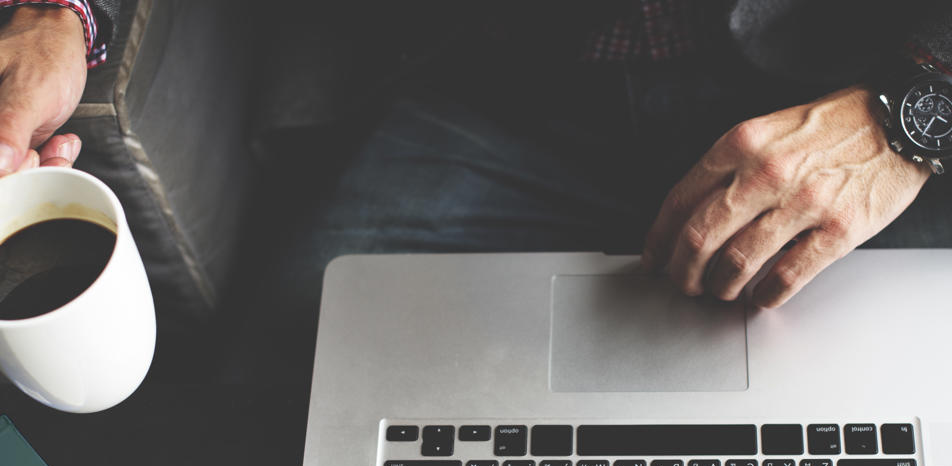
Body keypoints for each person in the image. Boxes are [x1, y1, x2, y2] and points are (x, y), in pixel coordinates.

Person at [1, 0, 949, 317]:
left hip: (850, 87)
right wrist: (58, 13)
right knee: (292, 385)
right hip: (509, 89)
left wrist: (911, 113)